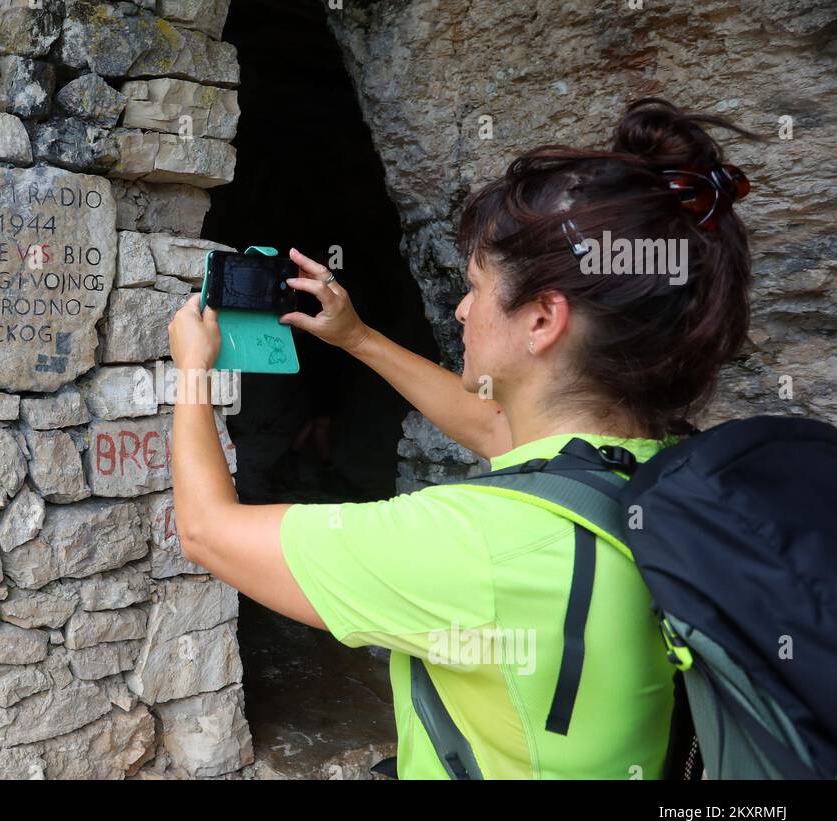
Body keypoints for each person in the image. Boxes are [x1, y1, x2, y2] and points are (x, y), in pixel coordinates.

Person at [167, 98, 755, 779]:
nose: (461, 308)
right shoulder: (666, 477)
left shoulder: (479, 547)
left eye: (476, 286)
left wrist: (192, 373)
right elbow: (494, 427)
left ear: (542, 320)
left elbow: (208, 531)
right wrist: (356, 337)